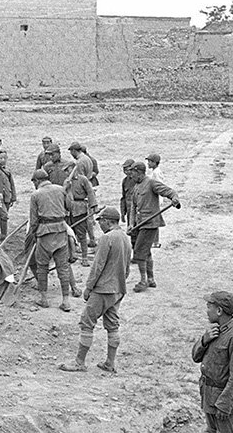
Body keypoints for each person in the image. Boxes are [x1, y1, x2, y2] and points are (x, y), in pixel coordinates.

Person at [59, 207, 131, 373]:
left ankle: (79, 362)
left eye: (101, 222)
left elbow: (97, 266)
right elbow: (127, 267)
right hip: (118, 289)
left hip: (103, 289)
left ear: (107, 221)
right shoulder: (125, 237)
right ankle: (110, 363)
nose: (100, 225)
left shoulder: (107, 238)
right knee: (113, 325)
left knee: (87, 322)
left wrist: (88, 287)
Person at [192, 291, 233, 433]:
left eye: (208, 307)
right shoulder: (213, 331)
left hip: (223, 403)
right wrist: (204, 340)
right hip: (208, 396)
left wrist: (224, 405)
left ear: (219, 311)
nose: (206, 311)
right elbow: (195, 357)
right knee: (211, 430)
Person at [128, 162, 180, 292]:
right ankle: (150, 279)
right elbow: (133, 207)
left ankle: (143, 281)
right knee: (147, 251)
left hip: (150, 223)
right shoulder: (136, 186)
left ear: (139, 172)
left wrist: (174, 197)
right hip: (140, 224)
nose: (130, 176)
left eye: (132, 173)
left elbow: (169, 191)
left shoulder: (151, 183)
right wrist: (130, 223)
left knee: (139, 251)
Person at [29, 169, 73, 311]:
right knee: (63, 266)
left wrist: (33, 234)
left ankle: (44, 299)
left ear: (37, 181)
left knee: (42, 267)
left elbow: (34, 220)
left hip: (44, 232)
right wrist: (68, 190)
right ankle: (66, 300)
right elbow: (70, 207)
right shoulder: (61, 190)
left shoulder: (36, 195)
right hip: (61, 231)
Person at [64, 168, 98, 266]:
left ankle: (84, 258)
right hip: (68, 211)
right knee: (69, 234)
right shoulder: (66, 181)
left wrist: (94, 206)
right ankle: (71, 256)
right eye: (66, 171)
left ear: (73, 170)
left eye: (68, 170)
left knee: (82, 234)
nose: (67, 173)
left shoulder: (83, 179)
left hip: (80, 209)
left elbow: (90, 192)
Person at [119, 159, 136, 232]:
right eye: (124, 169)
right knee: (131, 232)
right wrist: (122, 213)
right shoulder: (125, 181)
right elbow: (123, 198)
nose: (126, 171)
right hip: (129, 211)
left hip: (137, 212)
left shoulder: (138, 180)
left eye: (127, 169)